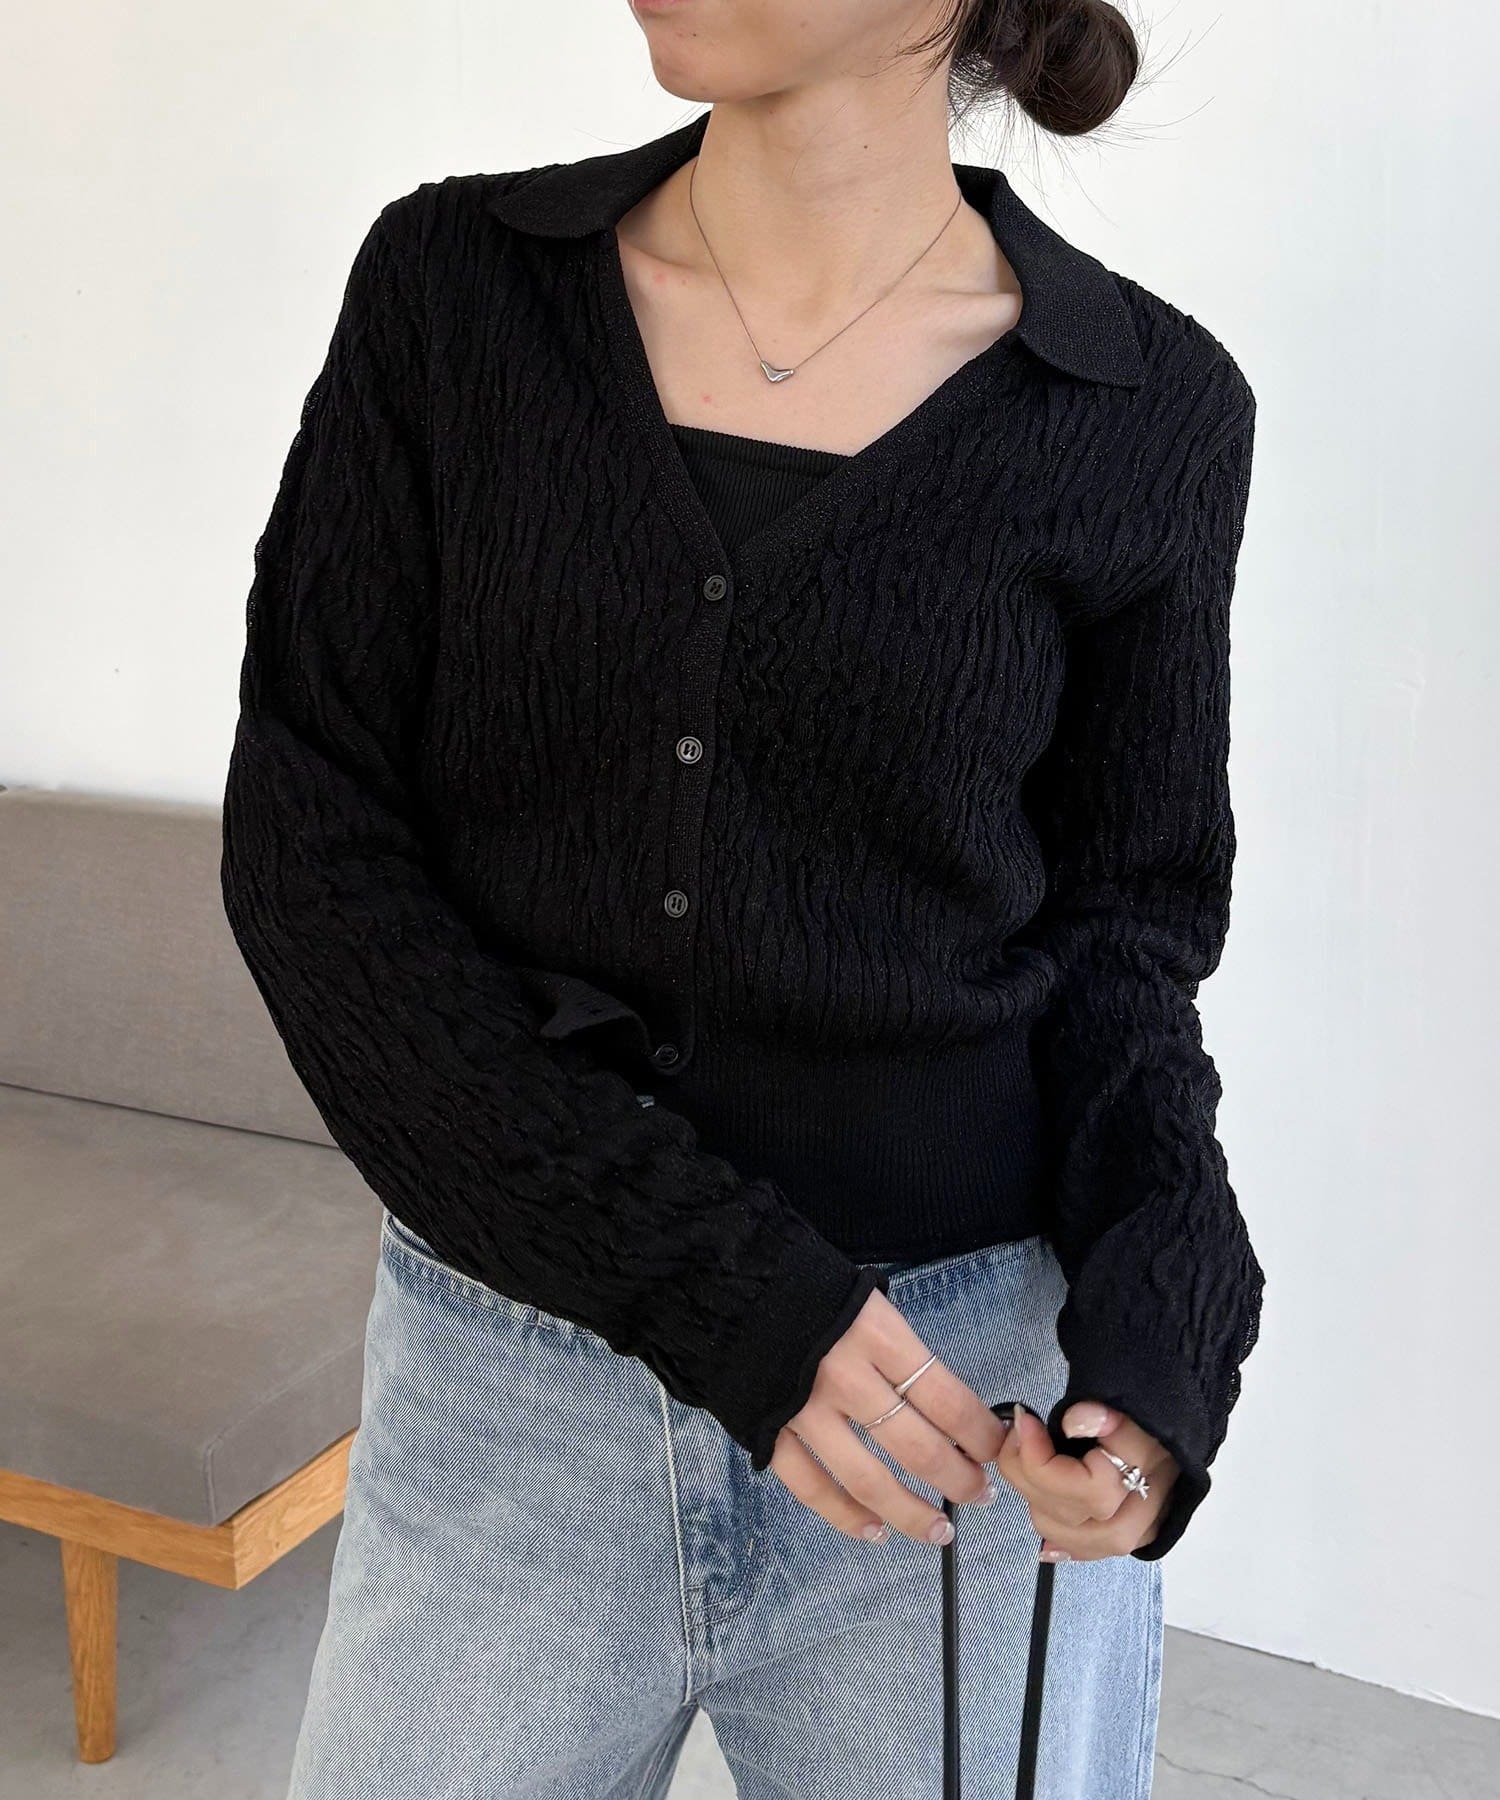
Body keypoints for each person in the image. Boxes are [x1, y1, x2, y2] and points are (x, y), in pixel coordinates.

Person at [220, 2, 1264, 1793]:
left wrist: (1165, 1335)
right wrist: (718, 1296)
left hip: (956, 1420)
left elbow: (1126, 945)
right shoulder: (456, 291)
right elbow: (310, 855)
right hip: (510, 1381)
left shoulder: (1145, 406)